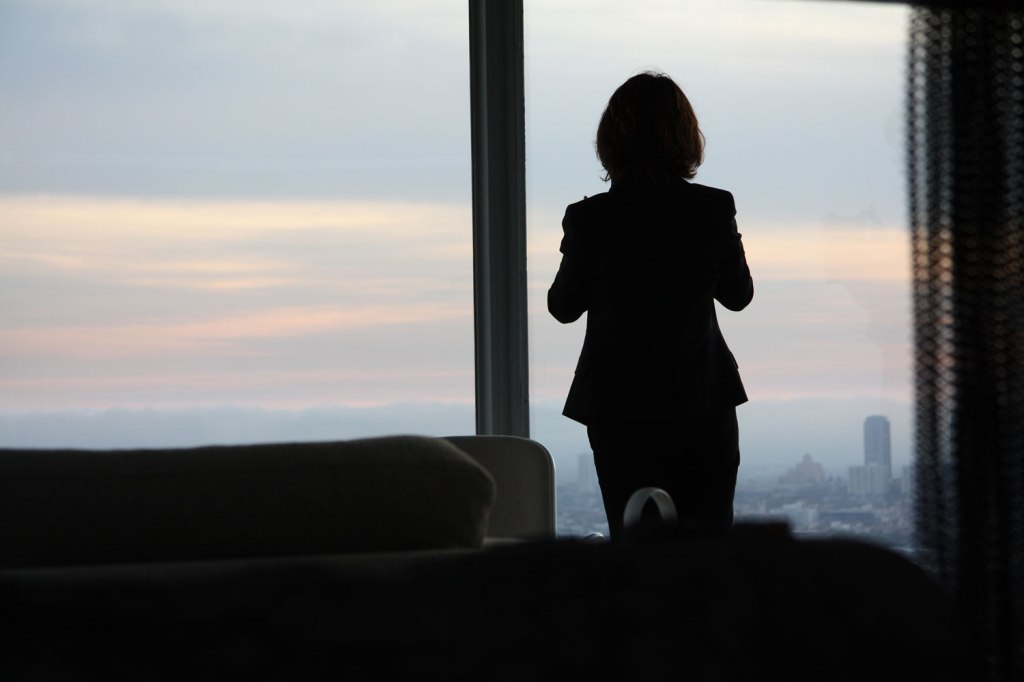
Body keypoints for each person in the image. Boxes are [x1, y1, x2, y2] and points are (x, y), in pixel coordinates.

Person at [547, 71, 753, 540]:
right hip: (703, 402)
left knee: (636, 549)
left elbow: (563, 307)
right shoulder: (713, 209)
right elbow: (739, 297)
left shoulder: (590, 219)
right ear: (685, 137)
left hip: (620, 408)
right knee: (708, 551)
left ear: (611, 140)